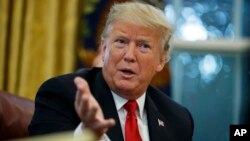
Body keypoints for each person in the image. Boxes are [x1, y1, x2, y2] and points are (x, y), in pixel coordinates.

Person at [29, 2, 194, 141]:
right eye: (121, 42)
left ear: (161, 61)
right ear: (104, 47)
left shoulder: (178, 119)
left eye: (143, 46)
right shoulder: (61, 95)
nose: (129, 56)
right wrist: (88, 135)